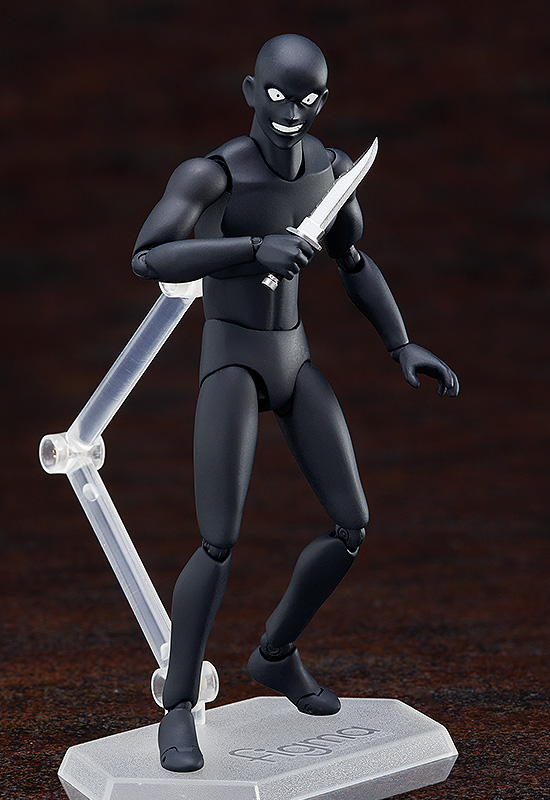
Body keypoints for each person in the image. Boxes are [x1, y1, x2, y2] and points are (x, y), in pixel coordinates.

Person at [132, 33, 459, 772]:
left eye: (307, 99)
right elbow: (148, 255)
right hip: (232, 360)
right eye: (278, 96)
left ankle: (275, 653)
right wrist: (254, 249)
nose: (291, 112)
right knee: (218, 541)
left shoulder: (333, 170)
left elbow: (353, 259)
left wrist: (401, 344)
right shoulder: (214, 174)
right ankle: (177, 705)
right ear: (252, 92)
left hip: (294, 358)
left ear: (323, 102)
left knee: (352, 524)